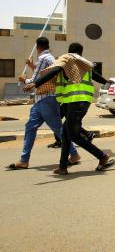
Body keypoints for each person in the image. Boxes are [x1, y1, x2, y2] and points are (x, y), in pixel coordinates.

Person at [24, 43, 115, 175]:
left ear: (69, 52)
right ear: (81, 52)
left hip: (77, 101)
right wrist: (106, 81)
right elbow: (96, 76)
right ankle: (62, 167)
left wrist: (35, 83)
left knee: (73, 135)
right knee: (66, 135)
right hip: (77, 102)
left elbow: (54, 71)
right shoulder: (84, 64)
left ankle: (102, 157)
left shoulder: (67, 60)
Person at [7, 37, 80, 170]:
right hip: (42, 99)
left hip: (46, 99)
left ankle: (74, 154)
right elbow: (44, 73)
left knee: (58, 129)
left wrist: (24, 80)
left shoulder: (43, 58)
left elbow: (35, 80)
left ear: (37, 47)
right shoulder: (51, 58)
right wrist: (31, 66)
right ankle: (24, 160)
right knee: (30, 127)